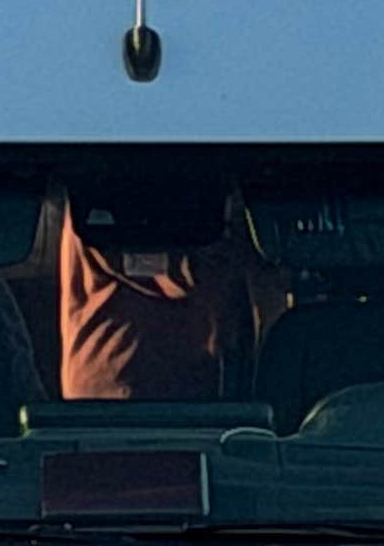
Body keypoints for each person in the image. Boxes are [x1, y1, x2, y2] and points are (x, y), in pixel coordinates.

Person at [58, 167, 254, 402]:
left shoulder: (197, 190)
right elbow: (138, 261)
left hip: (193, 395)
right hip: (121, 398)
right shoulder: (99, 199)